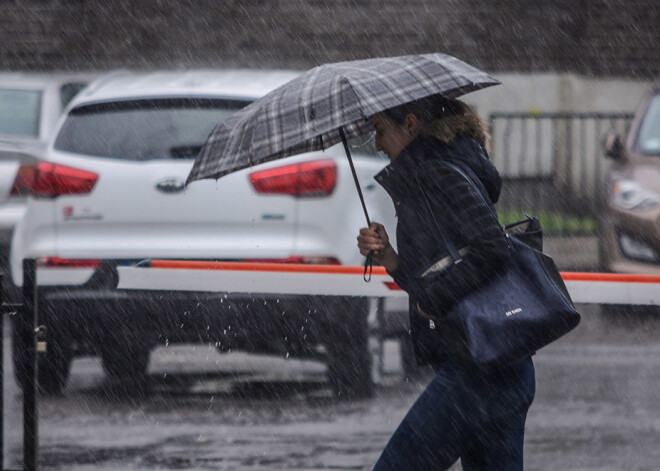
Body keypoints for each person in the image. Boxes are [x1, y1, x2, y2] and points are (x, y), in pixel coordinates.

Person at [357, 95, 536, 470]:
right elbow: (449, 270)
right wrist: (390, 258)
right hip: (502, 364)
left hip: (477, 371)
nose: (376, 144)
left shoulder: (437, 172)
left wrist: (434, 300)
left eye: (379, 130)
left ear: (409, 124)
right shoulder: (445, 169)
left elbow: (491, 249)